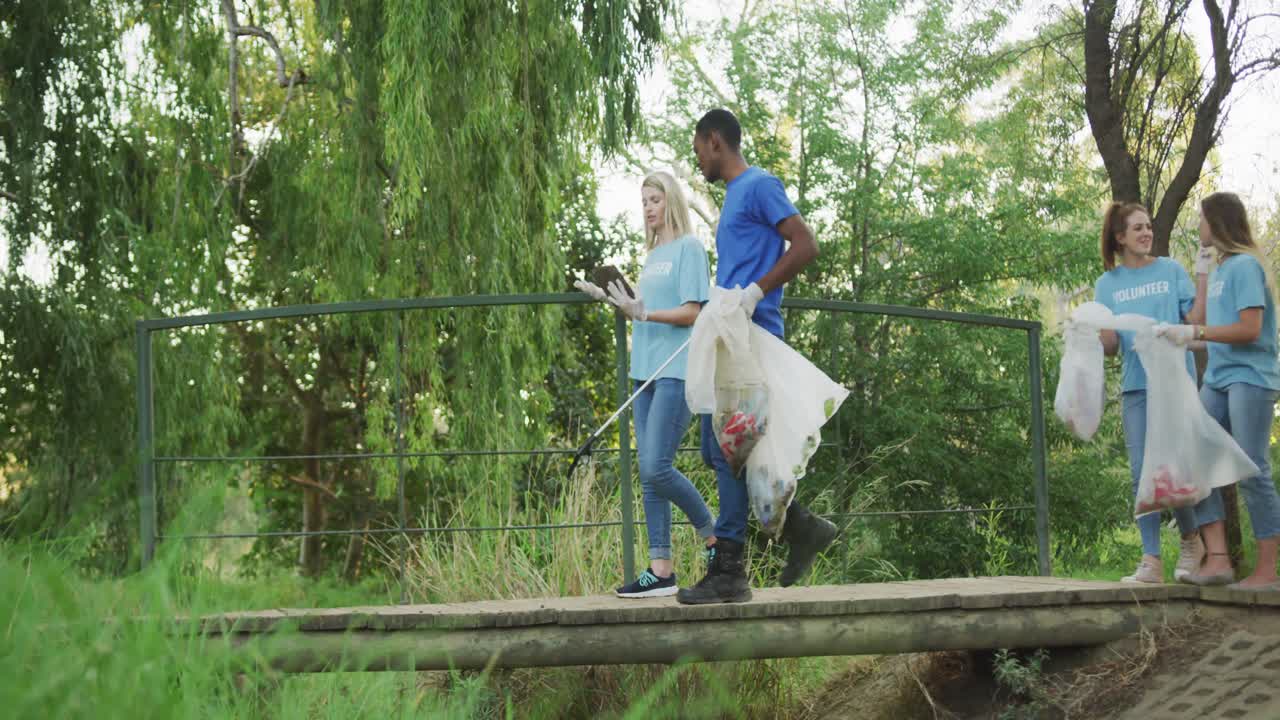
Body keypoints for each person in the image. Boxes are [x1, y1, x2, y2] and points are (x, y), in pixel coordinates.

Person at [676, 108, 837, 606]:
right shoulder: (733, 196)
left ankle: (729, 570)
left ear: (714, 140)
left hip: (753, 335)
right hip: (731, 336)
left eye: (698, 149)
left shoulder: (760, 185)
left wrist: (754, 292)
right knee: (716, 450)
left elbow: (806, 244)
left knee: (729, 449)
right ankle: (802, 527)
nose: (698, 159)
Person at [574, 170, 717, 598]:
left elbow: (693, 311)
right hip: (645, 371)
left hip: (676, 368)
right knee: (647, 472)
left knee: (657, 466)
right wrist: (612, 298)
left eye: (655, 199)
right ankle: (661, 570)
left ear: (671, 200)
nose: (649, 208)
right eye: (644, 202)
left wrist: (644, 312)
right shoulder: (653, 255)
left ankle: (714, 537)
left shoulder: (690, 248)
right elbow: (644, 306)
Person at [1156, 191, 1280, 590]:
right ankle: (1219, 560)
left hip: (1250, 377)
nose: (1198, 226)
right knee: (1191, 454)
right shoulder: (1221, 268)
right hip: (1219, 377)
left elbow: (1249, 329)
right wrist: (1179, 337)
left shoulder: (1246, 266)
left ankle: (1268, 572)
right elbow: (1207, 325)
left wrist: (1196, 332)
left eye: (1202, 219)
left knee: (1252, 469)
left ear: (1219, 221)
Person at [1089, 201, 1208, 584]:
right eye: (1137, 228)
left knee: (1172, 468)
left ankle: (1191, 540)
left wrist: (1203, 275)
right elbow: (1111, 346)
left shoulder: (1171, 270)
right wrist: (1089, 331)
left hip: (1174, 384)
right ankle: (1151, 559)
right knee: (1142, 472)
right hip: (1136, 387)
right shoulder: (1107, 284)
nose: (1146, 233)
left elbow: (1196, 321)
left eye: (1148, 227)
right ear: (1120, 237)